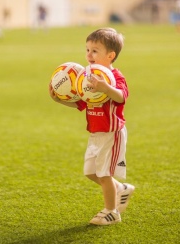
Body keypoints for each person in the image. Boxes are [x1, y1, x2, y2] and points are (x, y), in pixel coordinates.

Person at [49, 27, 135, 225]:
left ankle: (111, 212)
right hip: (95, 133)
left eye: (95, 50)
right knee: (91, 172)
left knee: (104, 174)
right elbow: (81, 103)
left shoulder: (115, 77)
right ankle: (120, 189)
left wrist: (106, 88)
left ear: (110, 55)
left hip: (112, 133)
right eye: (87, 49)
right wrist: (60, 100)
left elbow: (122, 96)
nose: (89, 54)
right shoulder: (85, 76)